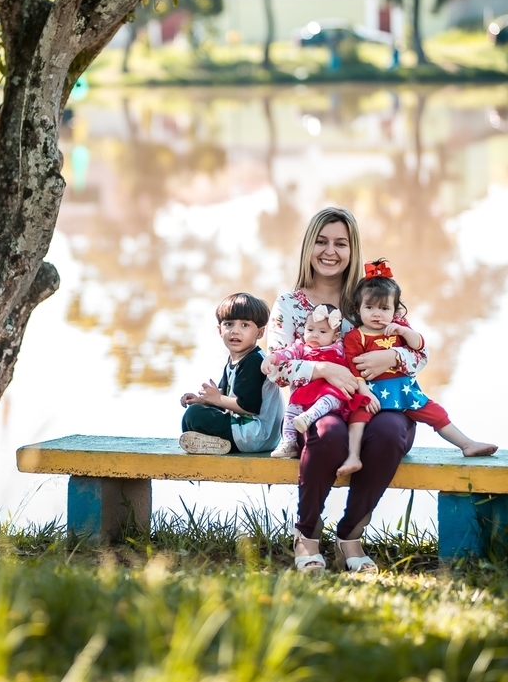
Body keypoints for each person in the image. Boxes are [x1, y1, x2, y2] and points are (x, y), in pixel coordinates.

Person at [267, 206, 427, 574]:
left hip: (376, 405)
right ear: (308, 247)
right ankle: (306, 535)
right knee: (327, 433)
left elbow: (420, 352)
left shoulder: (371, 297)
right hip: (318, 408)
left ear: (353, 249)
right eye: (321, 241)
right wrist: (323, 368)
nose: (330, 251)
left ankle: (350, 535)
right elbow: (276, 367)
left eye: (341, 243)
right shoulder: (290, 305)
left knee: (390, 432)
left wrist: (392, 360)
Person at [344, 259, 498, 458]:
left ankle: (467, 444)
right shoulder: (356, 336)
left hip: (404, 390)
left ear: (394, 310)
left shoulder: (397, 329)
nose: (377, 314)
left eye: (384, 309)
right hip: (373, 392)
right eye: (370, 307)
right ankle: (352, 456)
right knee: (358, 417)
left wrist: (404, 331)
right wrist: (364, 392)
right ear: (358, 309)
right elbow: (354, 368)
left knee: (436, 413)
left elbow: (419, 346)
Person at [263, 305, 377, 475]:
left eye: (323, 332)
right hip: (308, 392)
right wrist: (272, 357)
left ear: (335, 336)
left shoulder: (340, 348)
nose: (315, 334)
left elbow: (355, 364)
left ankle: (310, 416)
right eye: (310, 329)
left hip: (332, 391)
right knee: (291, 410)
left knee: (329, 400)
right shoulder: (301, 347)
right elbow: (285, 354)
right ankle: (288, 442)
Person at [178, 292, 283, 455]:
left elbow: (248, 407)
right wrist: (204, 400)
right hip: (250, 432)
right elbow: (227, 395)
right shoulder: (236, 360)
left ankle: (219, 444)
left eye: (245, 325)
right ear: (220, 330)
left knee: (194, 416)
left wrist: (216, 399)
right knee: (193, 414)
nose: (235, 331)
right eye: (229, 324)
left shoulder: (254, 362)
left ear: (260, 332)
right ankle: (214, 444)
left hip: (256, 434)